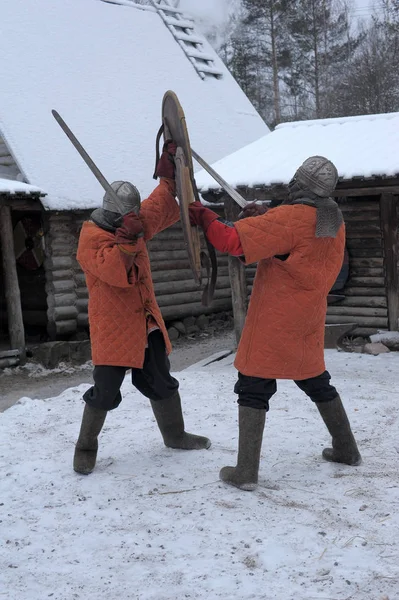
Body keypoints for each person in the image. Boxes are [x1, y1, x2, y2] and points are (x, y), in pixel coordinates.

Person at [189, 155, 361, 491]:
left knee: (253, 387)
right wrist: (265, 218)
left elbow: (232, 241)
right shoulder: (331, 218)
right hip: (307, 316)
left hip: (277, 320)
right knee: (316, 381)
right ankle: (347, 448)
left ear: (300, 182)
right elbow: (293, 242)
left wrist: (204, 216)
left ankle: (246, 472)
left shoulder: (292, 217)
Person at [74, 141, 210, 475]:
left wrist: (169, 174)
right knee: (105, 392)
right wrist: (128, 240)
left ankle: (175, 435)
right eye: (129, 221)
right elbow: (116, 272)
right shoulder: (91, 239)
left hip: (145, 321)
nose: (136, 223)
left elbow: (157, 207)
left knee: (161, 380)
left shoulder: (132, 225)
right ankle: (86, 445)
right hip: (113, 329)